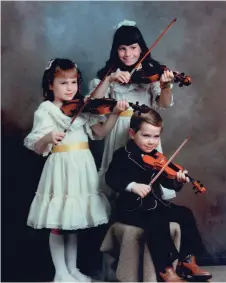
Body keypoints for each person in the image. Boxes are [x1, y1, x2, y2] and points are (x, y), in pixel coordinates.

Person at [24, 58, 129, 282]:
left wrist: (114, 115)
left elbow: (100, 133)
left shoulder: (82, 108)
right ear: (51, 85)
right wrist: (48, 137)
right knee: (58, 222)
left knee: (74, 222)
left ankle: (72, 270)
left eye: (73, 82)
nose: (70, 88)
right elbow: (34, 144)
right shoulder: (46, 110)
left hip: (82, 166)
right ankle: (60, 273)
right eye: (63, 83)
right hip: (61, 168)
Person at [105, 109, 212, 282]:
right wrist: (132, 186)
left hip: (154, 204)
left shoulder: (157, 157)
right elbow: (112, 178)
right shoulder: (122, 155)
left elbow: (168, 183)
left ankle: (187, 260)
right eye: (146, 136)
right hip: (131, 207)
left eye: (156, 137)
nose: (151, 142)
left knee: (184, 213)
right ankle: (166, 268)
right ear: (132, 133)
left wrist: (177, 179)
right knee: (157, 220)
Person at [89, 20, 176, 200]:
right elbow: (93, 104)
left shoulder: (151, 73)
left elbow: (164, 104)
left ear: (141, 48)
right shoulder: (109, 74)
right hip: (117, 130)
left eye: (133, 47)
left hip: (144, 131)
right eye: (122, 48)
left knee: (146, 180)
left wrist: (165, 86)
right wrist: (109, 79)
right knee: (118, 180)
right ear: (116, 50)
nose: (128, 54)